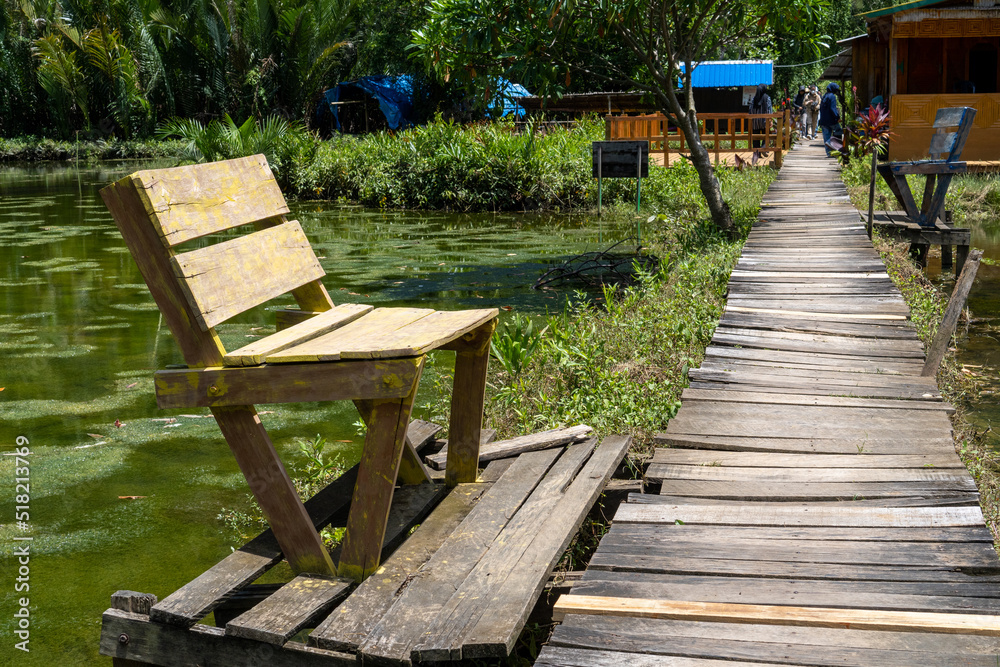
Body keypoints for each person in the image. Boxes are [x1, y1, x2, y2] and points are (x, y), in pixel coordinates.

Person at [749, 83, 772, 163]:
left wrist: (752, 118)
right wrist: (770, 120)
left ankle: (756, 153)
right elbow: (769, 110)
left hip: (755, 121)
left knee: (756, 137)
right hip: (764, 121)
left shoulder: (754, 98)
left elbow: (750, 110)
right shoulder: (767, 98)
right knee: (767, 134)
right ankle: (763, 148)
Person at [819, 82, 842, 156]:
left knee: (826, 136)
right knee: (839, 132)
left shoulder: (824, 96)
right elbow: (833, 108)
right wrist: (837, 117)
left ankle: (829, 153)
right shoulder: (832, 96)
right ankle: (832, 144)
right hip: (832, 120)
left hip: (823, 120)